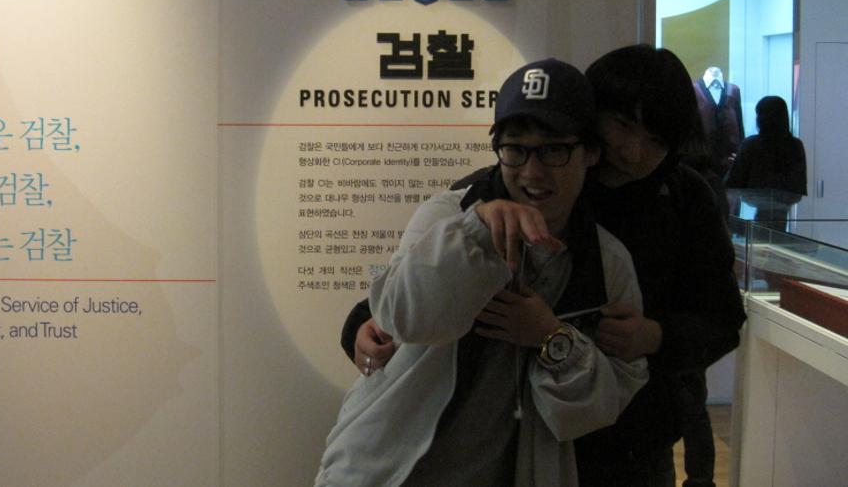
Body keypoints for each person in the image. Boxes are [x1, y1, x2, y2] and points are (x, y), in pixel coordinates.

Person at [345, 45, 747, 487]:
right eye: (622, 125)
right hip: (519, 437)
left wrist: (655, 336)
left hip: (631, 436)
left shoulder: (682, 203)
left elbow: (722, 319)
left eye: (656, 141)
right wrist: (366, 323)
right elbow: (421, 269)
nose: (633, 152)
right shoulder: (497, 191)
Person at [316, 59, 648, 487]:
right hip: (385, 470)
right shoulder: (448, 214)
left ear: (590, 153)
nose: (532, 171)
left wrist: (549, 337)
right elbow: (402, 315)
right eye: (515, 149)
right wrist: (474, 233)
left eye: (553, 150)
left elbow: (600, 406)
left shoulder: (607, 262)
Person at [725, 95, 807, 223]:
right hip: (784, 209)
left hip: (753, 209)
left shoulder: (750, 144)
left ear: (760, 118)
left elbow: (733, 182)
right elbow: (799, 186)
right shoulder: (795, 145)